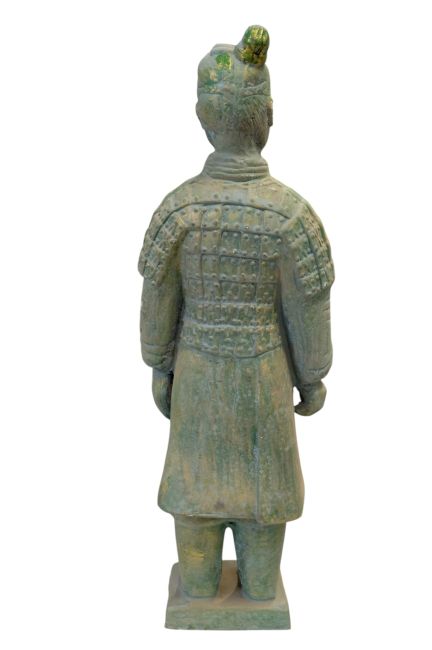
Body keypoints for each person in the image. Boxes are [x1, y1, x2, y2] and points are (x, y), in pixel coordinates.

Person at [139, 25, 334, 601]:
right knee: (263, 507)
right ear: (269, 116)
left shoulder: (178, 210)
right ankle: (258, 591)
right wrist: (313, 377)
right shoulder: (292, 217)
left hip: (197, 375)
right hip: (265, 379)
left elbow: (157, 305)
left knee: (195, 496)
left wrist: (160, 365)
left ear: (203, 117)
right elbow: (309, 313)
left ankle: (200, 591)